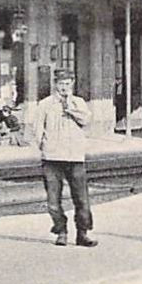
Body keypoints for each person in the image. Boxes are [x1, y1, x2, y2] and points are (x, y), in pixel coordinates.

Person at [32, 68, 95, 247]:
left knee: (81, 199)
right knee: (52, 201)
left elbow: (86, 120)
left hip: (74, 157)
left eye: (67, 84)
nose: (64, 88)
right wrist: (43, 145)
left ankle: (82, 233)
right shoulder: (45, 104)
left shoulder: (79, 103)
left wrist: (70, 108)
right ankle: (61, 231)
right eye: (61, 84)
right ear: (55, 84)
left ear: (72, 84)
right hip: (52, 158)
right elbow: (37, 128)